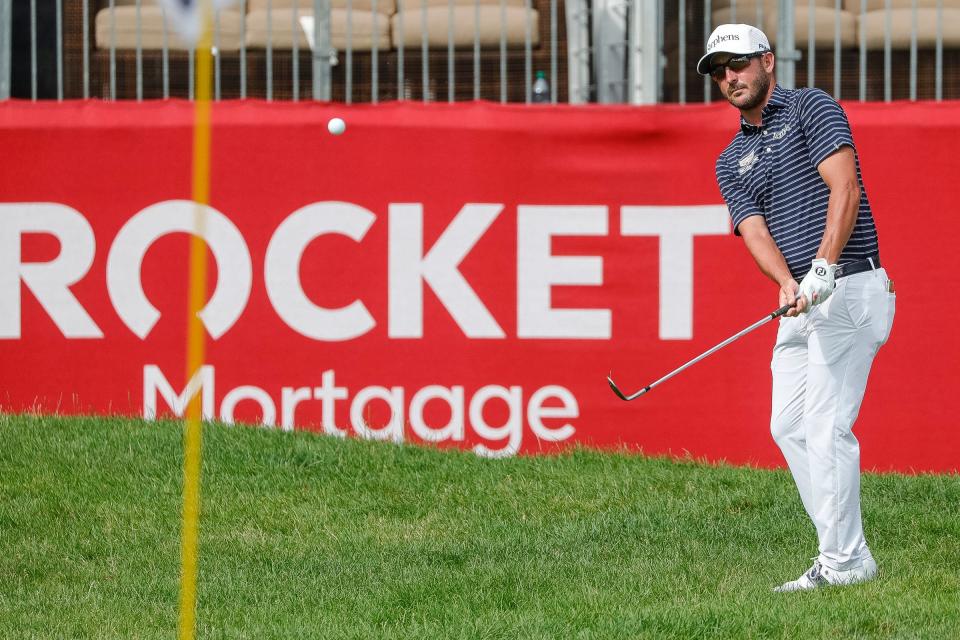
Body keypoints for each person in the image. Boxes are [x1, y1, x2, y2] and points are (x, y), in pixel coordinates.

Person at [697, 24, 896, 592]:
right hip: (804, 301)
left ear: (766, 60)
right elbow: (755, 230)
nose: (729, 78)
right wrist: (787, 282)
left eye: (737, 64)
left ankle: (843, 562)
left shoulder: (813, 107)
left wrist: (824, 268)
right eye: (718, 71)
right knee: (787, 425)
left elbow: (845, 189)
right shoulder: (731, 156)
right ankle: (844, 553)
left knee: (826, 427)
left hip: (851, 285)